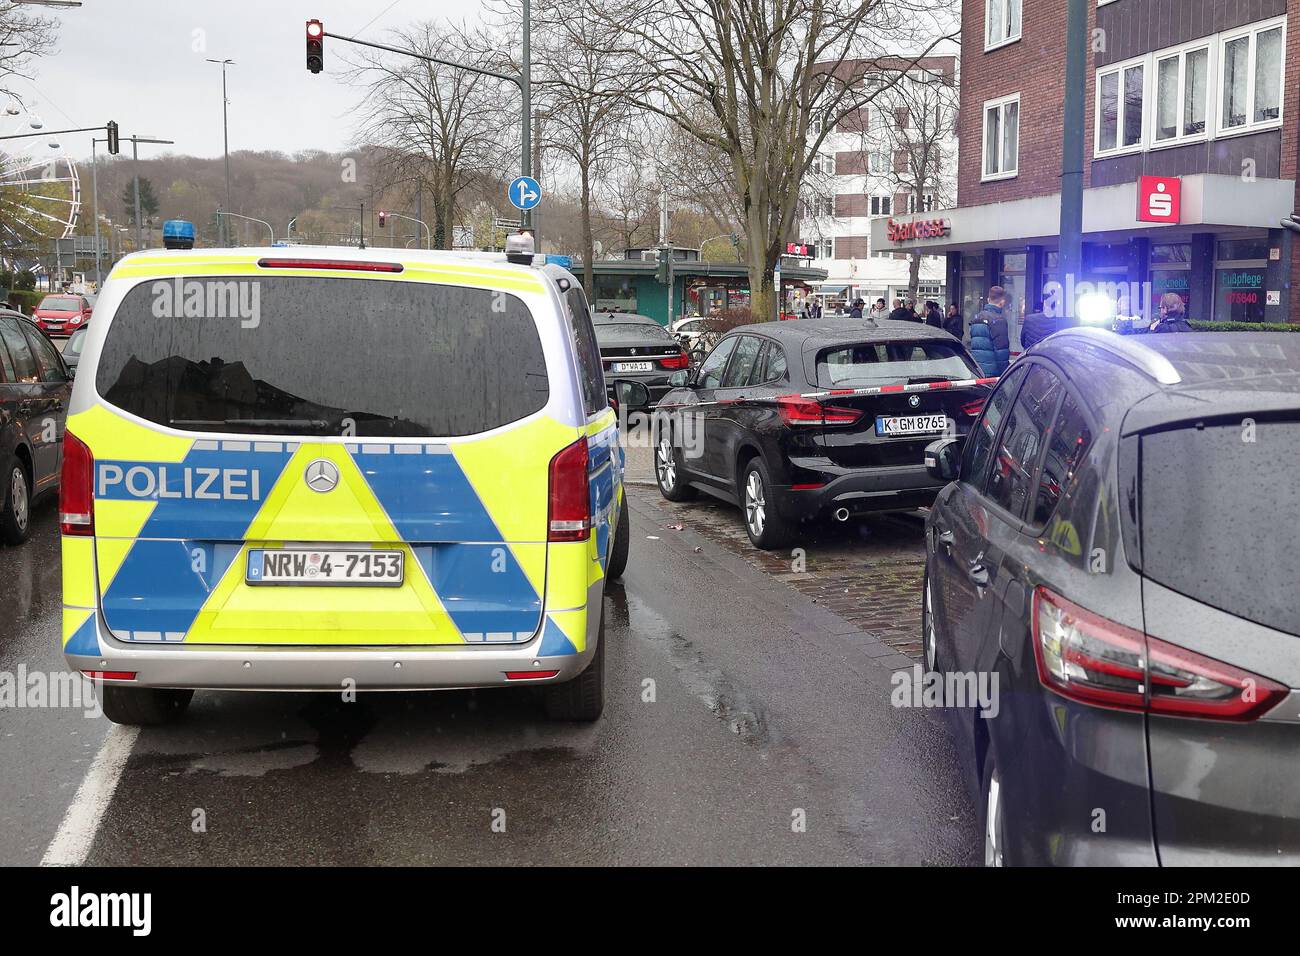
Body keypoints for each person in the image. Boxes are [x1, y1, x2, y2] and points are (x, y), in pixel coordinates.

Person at [966, 286, 1012, 377]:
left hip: (978, 372)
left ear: (988, 300)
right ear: (1002, 302)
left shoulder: (976, 318)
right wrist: (1005, 374)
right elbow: (1001, 352)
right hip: (993, 374)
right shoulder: (999, 320)